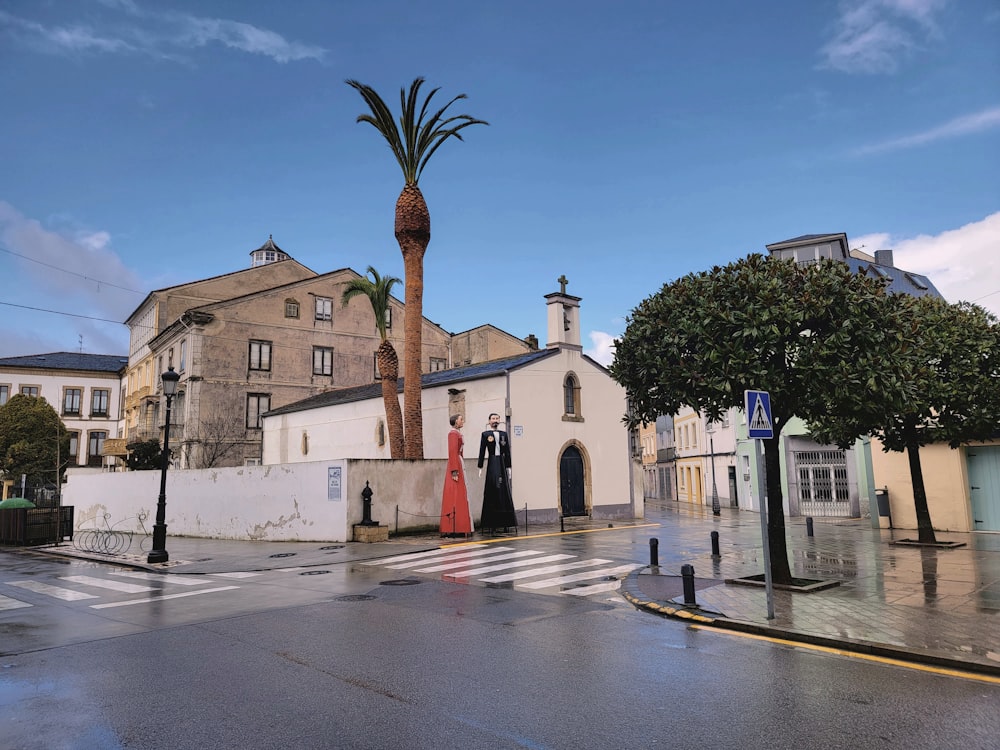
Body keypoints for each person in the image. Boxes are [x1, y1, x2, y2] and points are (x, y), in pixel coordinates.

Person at [477, 412, 517, 534]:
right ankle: (492, 524)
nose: (495, 420)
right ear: (489, 421)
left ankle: (506, 523)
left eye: (497, 418)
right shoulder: (485, 434)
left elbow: (508, 451)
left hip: (502, 462)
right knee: (492, 490)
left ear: (499, 420)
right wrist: (480, 466)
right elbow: (482, 450)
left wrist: (509, 466)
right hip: (492, 461)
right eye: (493, 419)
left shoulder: (504, 434)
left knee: (504, 491)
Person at [440, 414, 473, 538]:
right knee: (456, 494)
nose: (462, 421)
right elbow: (452, 451)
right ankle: (455, 526)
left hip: (459, 463)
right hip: (456, 465)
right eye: (461, 419)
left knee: (461, 494)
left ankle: (461, 525)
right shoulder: (453, 434)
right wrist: (454, 470)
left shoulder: (457, 434)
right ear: (455, 422)